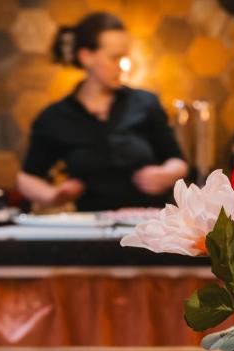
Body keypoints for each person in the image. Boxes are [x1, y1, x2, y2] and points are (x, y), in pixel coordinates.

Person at [17, 13, 187, 211]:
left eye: (124, 57)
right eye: (115, 58)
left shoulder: (146, 103)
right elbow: (27, 178)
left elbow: (177, 161)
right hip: (89, 224)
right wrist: (53, 195)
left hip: (149, 221)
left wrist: (166, 174)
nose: (122, 65)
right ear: (86, 57)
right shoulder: (55, 116)